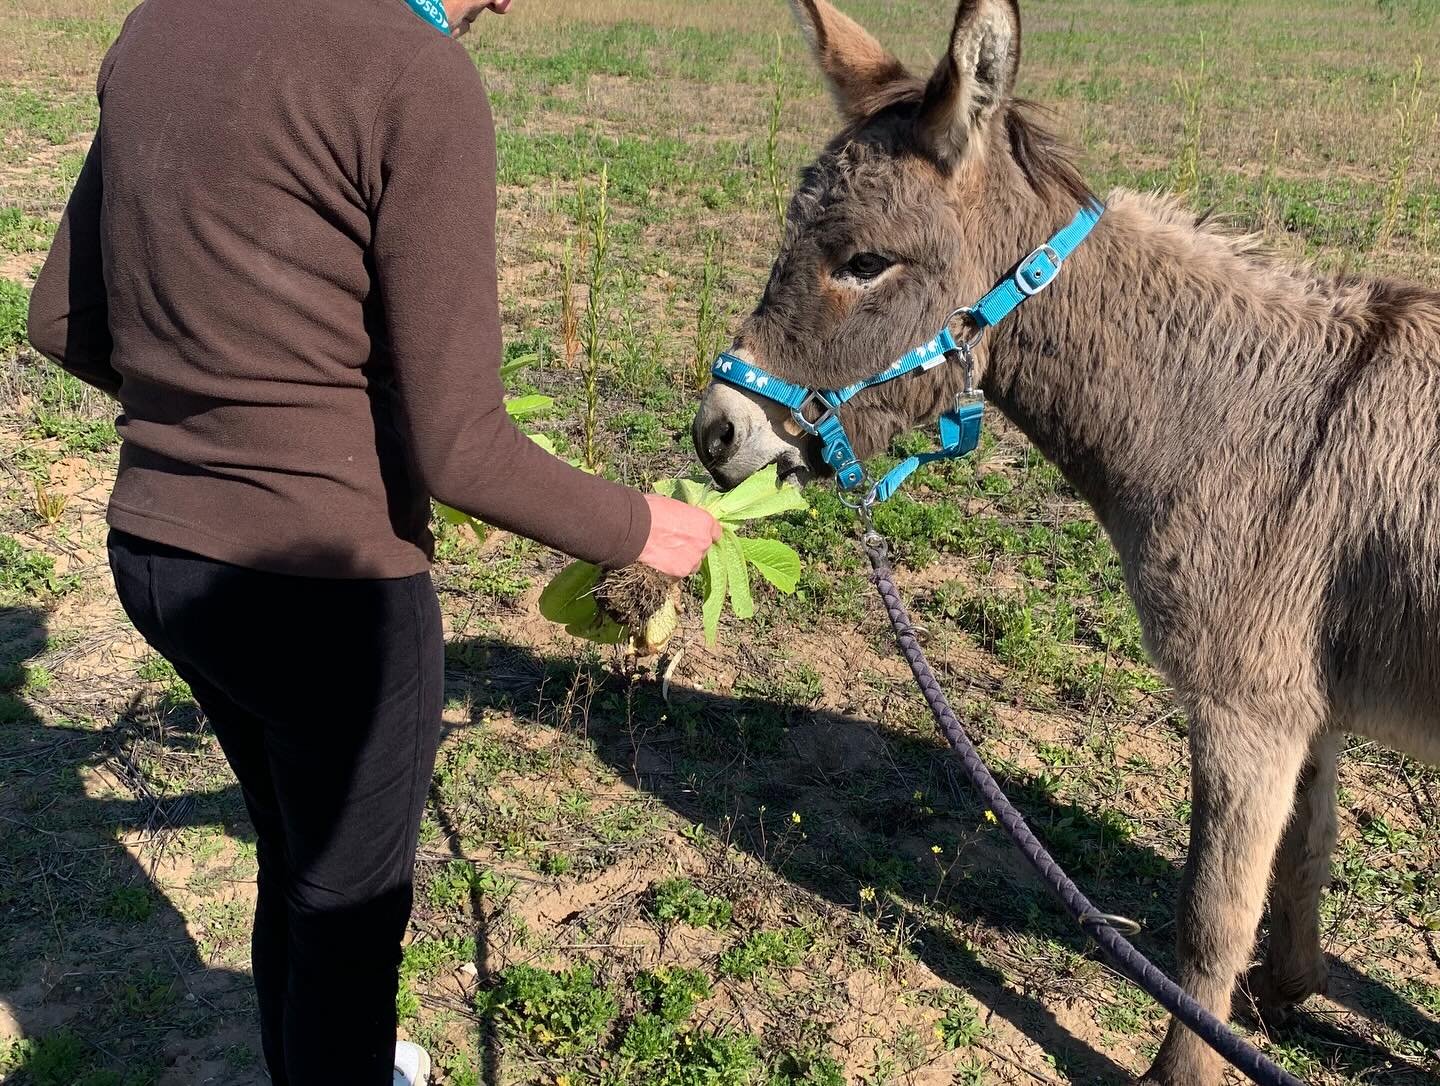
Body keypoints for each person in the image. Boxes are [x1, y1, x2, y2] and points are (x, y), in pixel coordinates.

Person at [25, 0, 720, 1083]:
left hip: (155, 555)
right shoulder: (413, 71)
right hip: (328, 596)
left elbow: (60, 324)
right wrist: (643, 527)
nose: (499, 7)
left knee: (296, 862)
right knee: (349, 924)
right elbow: (465, 451)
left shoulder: (161, 25)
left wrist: (214, 424)